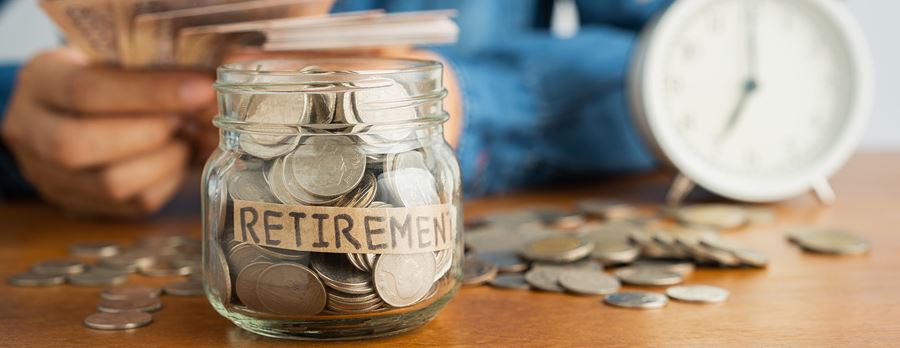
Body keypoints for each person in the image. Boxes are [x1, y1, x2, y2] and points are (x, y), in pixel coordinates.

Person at [0, 0, 671, 217]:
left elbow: (698, 59)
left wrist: (465, 100)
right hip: (131, 220)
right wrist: (19, 116)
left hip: (449, 211)